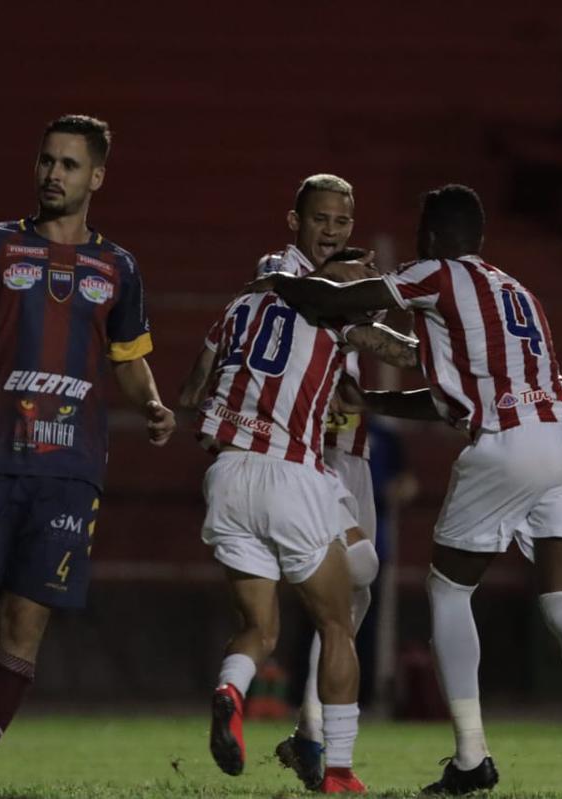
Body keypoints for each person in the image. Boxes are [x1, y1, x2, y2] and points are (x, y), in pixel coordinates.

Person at [250, 184, 562, 797]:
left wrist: (283, 281)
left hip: (509, 439)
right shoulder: (517, 290)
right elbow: (450, 398)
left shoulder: (436, 273)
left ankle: (472, 758)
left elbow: (345, 302)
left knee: (449, 590)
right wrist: (370, 399)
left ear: (430, 237)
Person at [0, 114, 176, 796]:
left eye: (70, 164)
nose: (54, 173)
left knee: (24, 623)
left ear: (96, 177)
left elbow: (129, 360)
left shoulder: (119, 267)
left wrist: (152, 403)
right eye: (47, 160)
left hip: (71, 475)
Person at [179, 175, 416, 788]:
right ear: (296, 222)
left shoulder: (238, 304)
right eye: (322, 220)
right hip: (293, 474)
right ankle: (334, 764)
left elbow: (190, 389)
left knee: (260, 627)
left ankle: (231, 692)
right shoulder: (332, 306)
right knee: (339, 623)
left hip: (227, 477)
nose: (332, 231)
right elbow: (396, 352)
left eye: (342, 221)